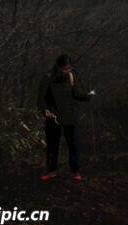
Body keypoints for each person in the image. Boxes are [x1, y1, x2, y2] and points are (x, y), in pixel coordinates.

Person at [37, 53, 93, 181]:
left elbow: (75, 94)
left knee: (73, 144)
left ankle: (75, 171)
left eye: (69, 68)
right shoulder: (47, 78)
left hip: (69, 114)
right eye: (64, 69)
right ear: (58, 67)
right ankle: (51, 170)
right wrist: (44, 110)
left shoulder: (70, 77)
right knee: (52, 144)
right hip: (53, 116)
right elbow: (41, 99)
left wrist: (86, 97)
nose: (66, 71)